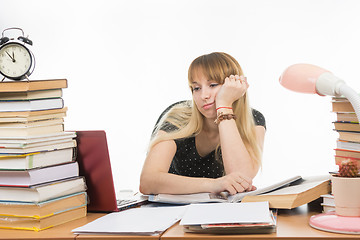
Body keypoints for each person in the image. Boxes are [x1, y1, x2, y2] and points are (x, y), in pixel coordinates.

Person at [139, 52, 266, 196]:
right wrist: (214, 184)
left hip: (219, 213)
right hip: (169, 212)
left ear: (233, 86)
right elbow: (147, 181)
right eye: (196, 88)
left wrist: (224, 106)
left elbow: (242, 178)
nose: (203, 96)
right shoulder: (177, 117)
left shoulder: (253, 119)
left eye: (212, 85)